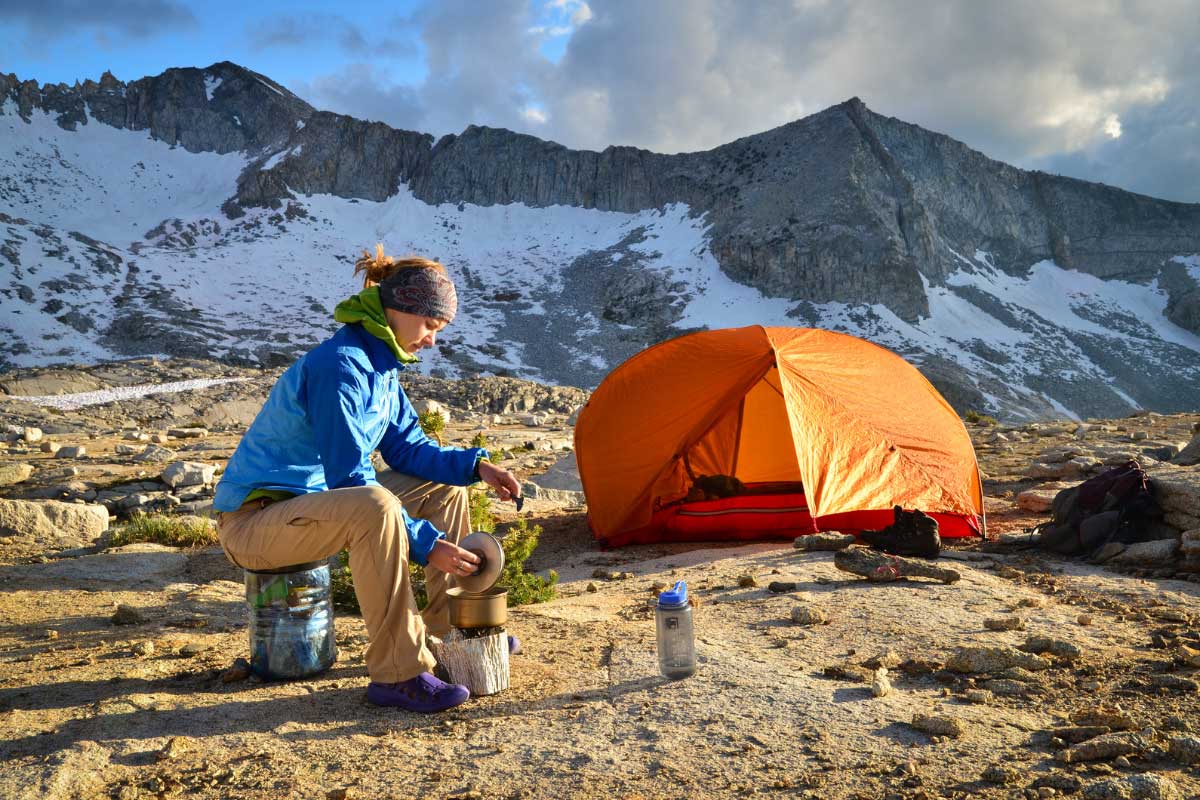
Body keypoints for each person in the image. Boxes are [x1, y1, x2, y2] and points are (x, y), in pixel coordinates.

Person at [213, 245, 522, 713]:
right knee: (374, 506)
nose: (432, 341)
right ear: (400, 311)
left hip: (310, 510)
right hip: (256, 524)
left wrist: (477, 467)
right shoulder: (340, 367)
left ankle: (449, 632)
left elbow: (409, 449)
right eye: (430, 327)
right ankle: (398, 672)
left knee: (444, 488)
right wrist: (425, 542)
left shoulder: (381, 370)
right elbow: (349, 478)